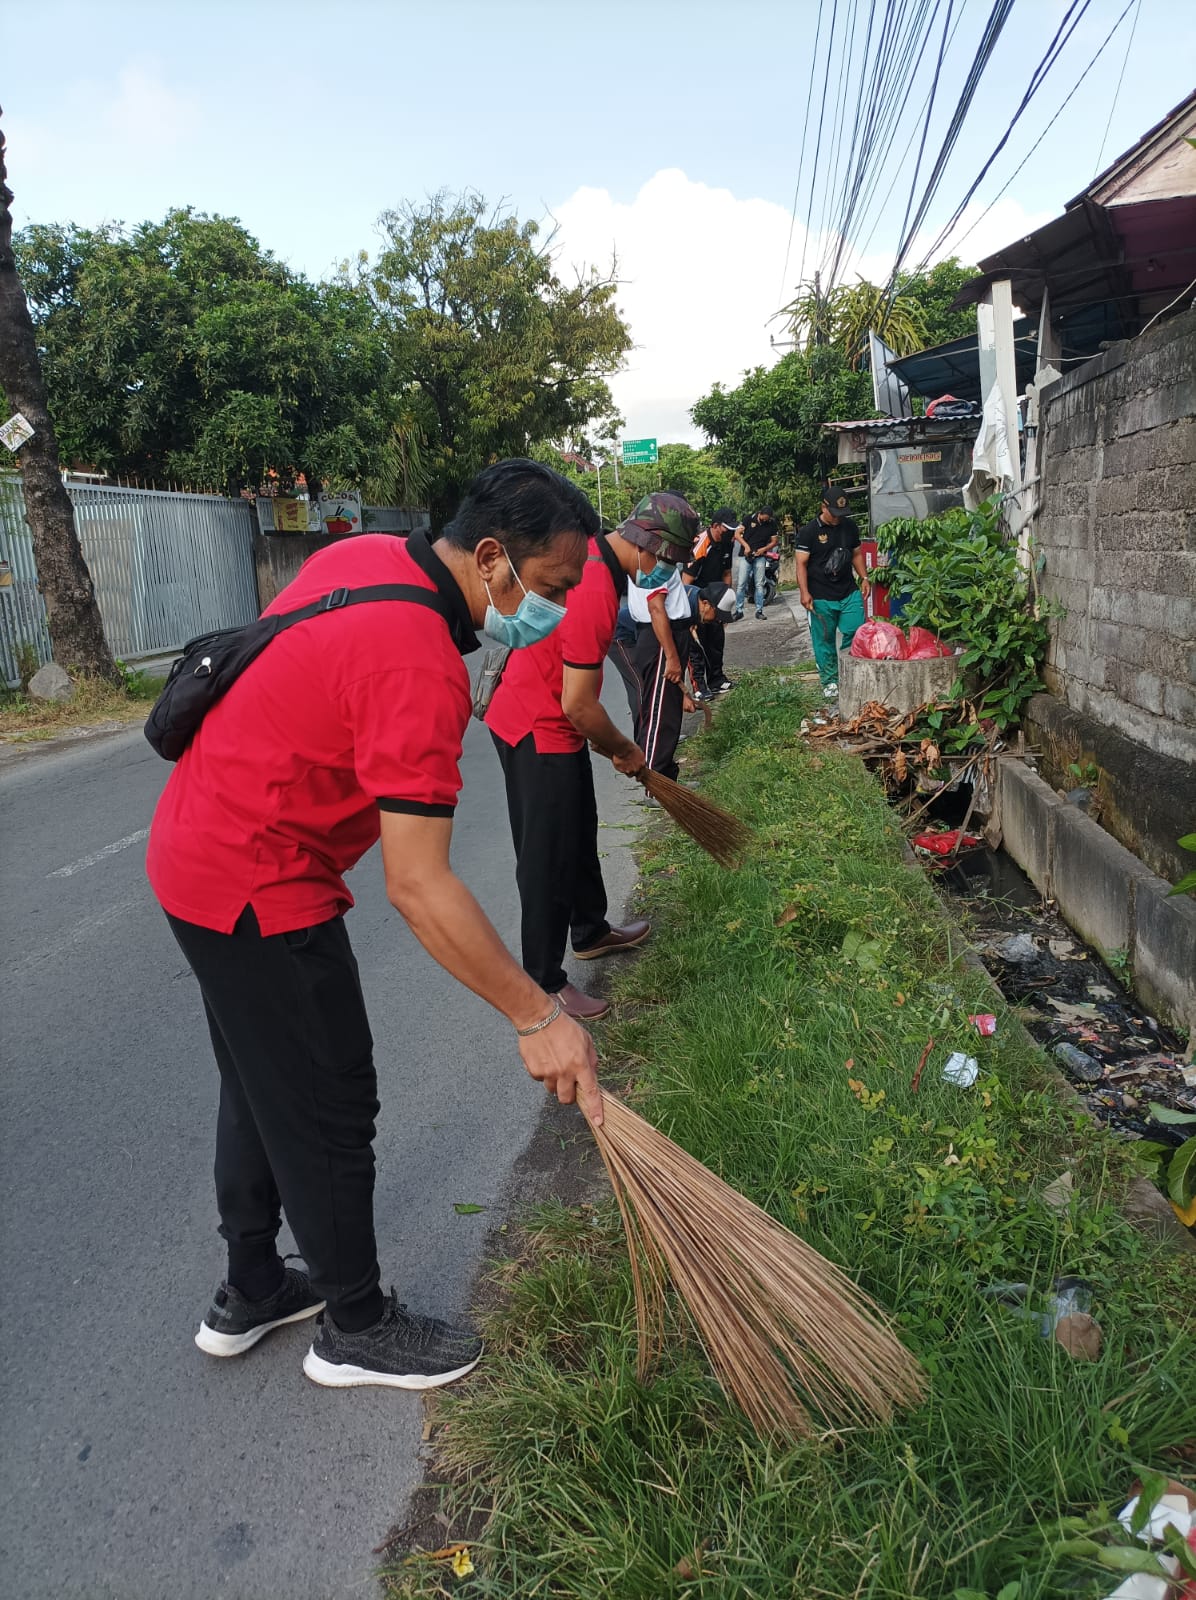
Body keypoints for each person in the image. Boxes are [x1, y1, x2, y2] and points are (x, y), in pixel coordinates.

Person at [146, 458, 604, 1394]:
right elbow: (421, 885)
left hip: (193, 849)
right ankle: (354, 1327)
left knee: (261, 1079)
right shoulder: (417, 662)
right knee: (327, 1098)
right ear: (491, 558)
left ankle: (253, 1286)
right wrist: (537, 1015)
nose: (555, 612)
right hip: (259, 881)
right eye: (551, 587)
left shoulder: (368, 555)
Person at [486, 513, 670, 1022]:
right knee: (546, 857)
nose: (663, 570)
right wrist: (625, 749)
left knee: (579, 828)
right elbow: (579, 706)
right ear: (645, 546)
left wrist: (605, 742)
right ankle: (544, 984)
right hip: (536, 728)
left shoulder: (590, 554)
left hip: (549, 719)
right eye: (664, 559)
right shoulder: (594, 589)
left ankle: (589, 931)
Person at [623, 492, 700, 783]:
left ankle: (665, 776)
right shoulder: (654, 556)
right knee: (659, 715)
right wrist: (671, 657)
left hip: (664, 635)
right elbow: (656, 609)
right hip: (660, 638)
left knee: (664, 712)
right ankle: (656, 784)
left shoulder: (654, 554)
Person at [795, 486, 871, 699]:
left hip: (848, 591)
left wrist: (864, 578)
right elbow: (801, 564)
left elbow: (856, 554)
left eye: (842, 513)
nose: (838, 518)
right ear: (823, 507)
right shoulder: (809, 532)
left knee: (855, 631)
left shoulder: (849, 527)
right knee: (824, 640)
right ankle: (830, 680)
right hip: (820, 595)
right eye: (834, 513)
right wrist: (804, 592)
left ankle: (849, 673)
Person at [688, 581, 736, 700]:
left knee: (716, 638)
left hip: (699, 614)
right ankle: (699, 687)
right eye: (717, 615)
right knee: (694, 650)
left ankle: (716, 680)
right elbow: (692, 654)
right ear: (705, 604)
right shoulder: (686, 607)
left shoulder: (705, 608)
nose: (719, 619)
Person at [735, 506, 778, 620]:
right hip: (746, 556)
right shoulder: (748, 519)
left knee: (759, 584)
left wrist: (764, 549)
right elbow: (737, 534)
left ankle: (759, 611)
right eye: (764, 518)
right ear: (760, 514)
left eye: (768, 519)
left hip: (760, 556)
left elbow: (774, 541)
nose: (765, 520)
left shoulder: (772, 524)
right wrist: (746, 546)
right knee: (741, 584)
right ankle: (739, 610)